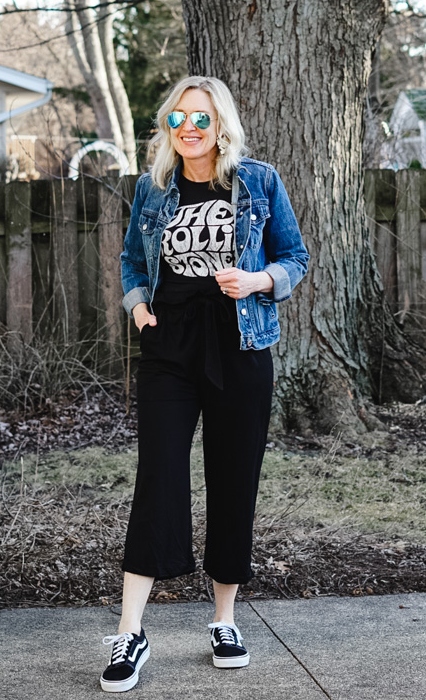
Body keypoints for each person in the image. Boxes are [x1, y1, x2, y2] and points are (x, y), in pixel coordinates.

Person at [99, 75, 309, 692]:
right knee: (158, 476)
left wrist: (259, 281)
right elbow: (133, 262)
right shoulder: (152, 188)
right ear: (167, 127)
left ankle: (223, 619)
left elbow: (294, 257)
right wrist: (138, 306)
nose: (189, 130)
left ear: (222, 127)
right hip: (170, 347)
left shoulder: (259, 181)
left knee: (233, 478)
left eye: (202, 119)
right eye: (178, 119)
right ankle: (130, 633)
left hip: (240, 345)